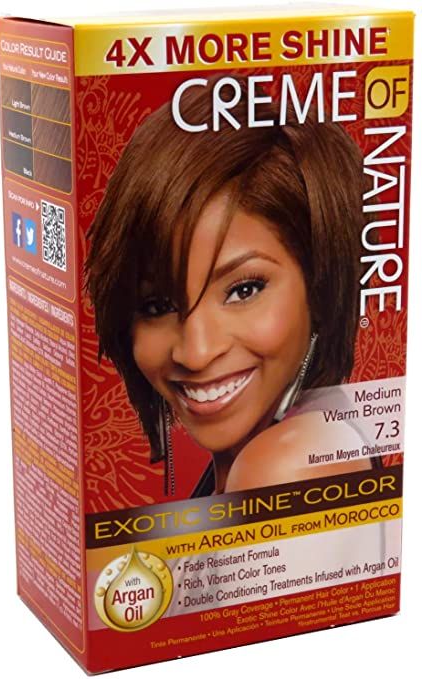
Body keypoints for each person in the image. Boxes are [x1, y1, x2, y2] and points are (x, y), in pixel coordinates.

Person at [85, 75, 375, 498]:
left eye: (244, 290)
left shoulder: (283, 463)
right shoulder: (260, 453)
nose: (196, 352)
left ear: (319, 286)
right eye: (157, 305)